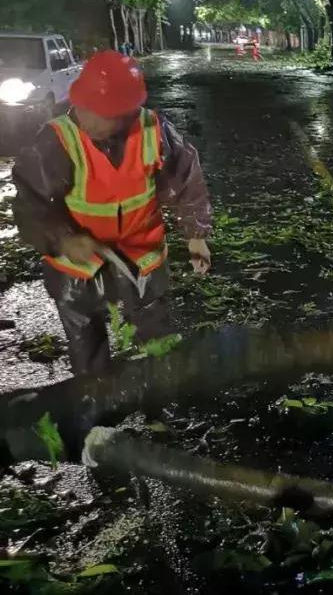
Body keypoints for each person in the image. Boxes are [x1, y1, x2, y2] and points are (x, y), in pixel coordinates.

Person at [13, 50, 212, 375]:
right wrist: (63, 240)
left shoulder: (153, 130)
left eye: (105, 113)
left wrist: (196, 235)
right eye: (87, 109)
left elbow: (186, 178)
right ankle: (97, 406)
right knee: (86, 346)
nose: (91, 119)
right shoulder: (58, 139)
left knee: (156, 344)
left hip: (142, 256)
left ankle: (159, 405)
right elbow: (29, 204)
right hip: (77, 266)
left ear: (128, 112)